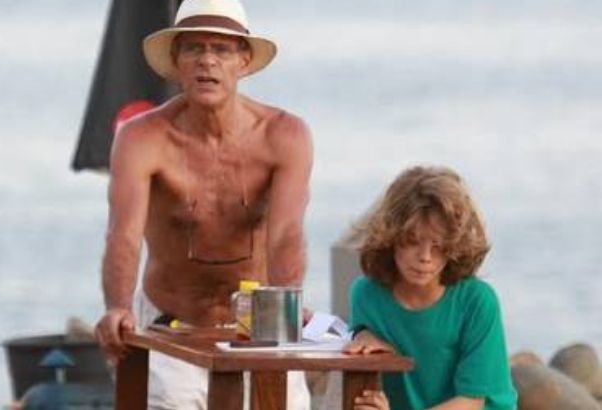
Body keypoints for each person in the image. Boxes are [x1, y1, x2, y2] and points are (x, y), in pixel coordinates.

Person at [94, 0, 313, 408]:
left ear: (244, 60)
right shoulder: (142, 139)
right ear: (176, 62)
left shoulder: (285, 135)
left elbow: (286, 233)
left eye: (222, 49)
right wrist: (118, 307)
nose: (207, 61)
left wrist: (287, 299)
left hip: (259, 324)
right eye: (194, 49)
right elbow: (123, 234)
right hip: (170, 322)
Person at [343, 166, 518, 410]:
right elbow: (358, 336)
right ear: (390, 238)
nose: (425, 257)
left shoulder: (477, 301)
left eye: (438, 246)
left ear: (455, 244)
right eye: (412, 241)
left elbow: (472, 401)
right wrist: (361, 335)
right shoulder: (366, 294)